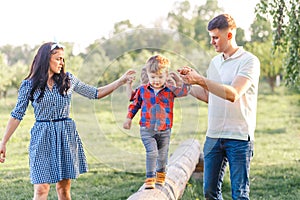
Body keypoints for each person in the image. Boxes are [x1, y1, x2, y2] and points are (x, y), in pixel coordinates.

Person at [0, 42, 136, 200]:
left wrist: (121, 81)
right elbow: (17, 114)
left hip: (65, 135)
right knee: (41, 188)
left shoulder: (68, 80)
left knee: (63, 189)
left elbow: (95, 93)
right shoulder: (29, 85)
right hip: (42, 136)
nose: (61, 63)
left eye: (63, 59)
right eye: (58, 59)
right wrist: (3, 142)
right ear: (46, 59)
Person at [178, 14, 260, 200]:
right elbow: (209, 96)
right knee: (210, 193)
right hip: (213, 136)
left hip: (239, 137)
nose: (212, 42)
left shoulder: (249, 61)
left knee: (240, 194)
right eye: (210, 38)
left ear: (229, 35)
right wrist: (186, 86)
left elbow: (233, 94)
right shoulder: (215, 62)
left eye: (215, 37)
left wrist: (200, 79)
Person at [123, 55, 190, 189]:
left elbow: (184, 91)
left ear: (166, 75)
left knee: (162, 155)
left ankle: (161, 175)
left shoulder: (170, 90)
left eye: (160, 77)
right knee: (152, 152)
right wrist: (128, 118)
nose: (156, 80)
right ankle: (150, 178)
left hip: (165, 129)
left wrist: (179, 79)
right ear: (148, 75)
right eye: (153, 77)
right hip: (147, 128)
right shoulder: (143, 90)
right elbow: (134, 103)